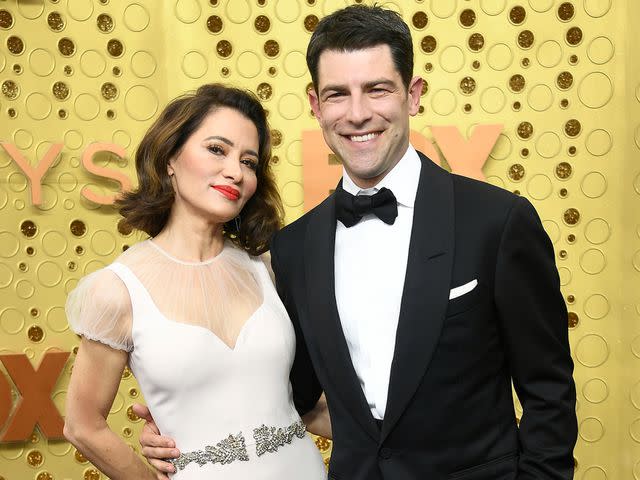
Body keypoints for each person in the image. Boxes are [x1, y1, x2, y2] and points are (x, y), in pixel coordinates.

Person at [139, 6, 578, 480]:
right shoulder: (293, 249)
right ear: (315, 105)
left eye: (377, 89)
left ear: (412, 95)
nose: (357, 114)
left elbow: (549, 391)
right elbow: (287, 395)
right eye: (337, 95)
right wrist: (188, 427)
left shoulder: (498, 222)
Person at [63, 83, 328, 479]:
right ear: (171, 157)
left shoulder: (270, 269)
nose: (235, 171)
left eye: (249, 161)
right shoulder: (117, 290)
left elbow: (308, 403)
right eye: (217, 149)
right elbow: (82, 425)